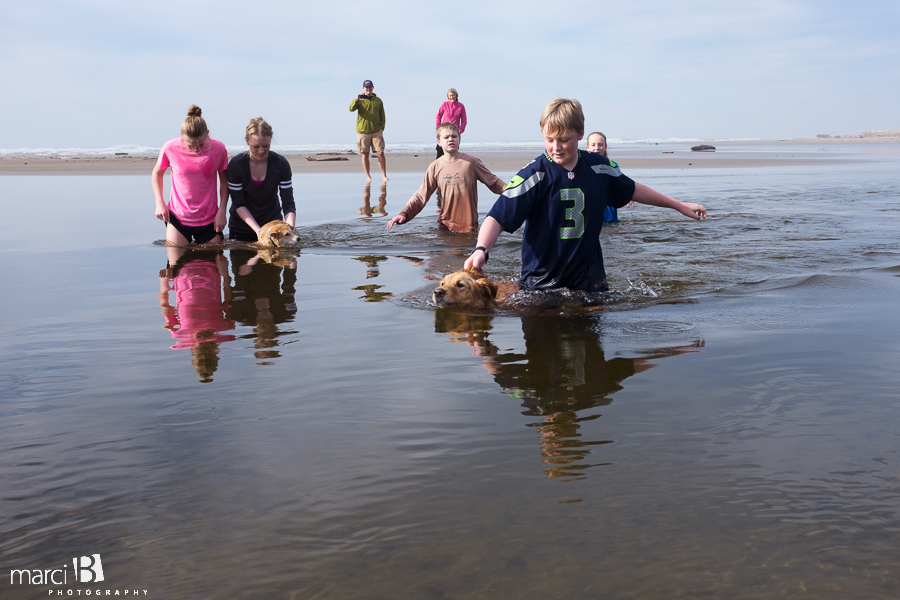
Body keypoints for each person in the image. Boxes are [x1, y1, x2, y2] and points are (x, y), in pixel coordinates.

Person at [464, 98, 706, 292]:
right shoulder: (534, 174)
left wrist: (677, 205)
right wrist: (481, 249)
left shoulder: (599, 167)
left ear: (580, 134)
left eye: (564, 139)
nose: (556, 147)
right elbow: (497, 216)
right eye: (549, 140)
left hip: (590, 282)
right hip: (541, 284)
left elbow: (631, 188)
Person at [386, 123, 506, 233]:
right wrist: (404, 214)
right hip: (445, 228)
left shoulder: (471, 163)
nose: (450, 139)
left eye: (454, 136)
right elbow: (421, 195)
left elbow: (494, 182)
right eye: (446, 137)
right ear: (439, 142)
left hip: (469, 229)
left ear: (459, 140)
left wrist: (518, 191)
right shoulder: (435, 166)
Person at [151, 105, 229, 247]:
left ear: (208, 133)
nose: (196, 149)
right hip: (178, 217)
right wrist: (159, 203)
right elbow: (157, 173)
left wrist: (222, 210)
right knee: (176, 266)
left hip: (210, 218)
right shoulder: (169, 148)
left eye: (200, 144)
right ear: (181, 135)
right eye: (191, 144)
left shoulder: (219, 149)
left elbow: (224, 181)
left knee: (213, 265)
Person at [226, 117, 296, 242]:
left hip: (273, 228)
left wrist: (290, 227)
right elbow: (239, 203)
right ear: (247, 141)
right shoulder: (236, 165)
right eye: (256, 146)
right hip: (241, 228)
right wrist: (259, 231)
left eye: (266, 146)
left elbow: (288, 202)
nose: (261, 151)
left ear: (271, 140)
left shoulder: (281, 164)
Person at [586, 131, 630, 222]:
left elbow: (621, 184)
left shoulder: (613, 165)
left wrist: (628, 195)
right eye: (593, 145)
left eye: (600, 145)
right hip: (591, 216)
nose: (597, 148)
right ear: (588, 147)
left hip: (610, 216)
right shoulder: (583, 166)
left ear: (605, 147)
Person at [349, 80, 387, 183]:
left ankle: (384, 175)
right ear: (363, 88)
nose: (368, 89)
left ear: (373, 88)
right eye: (366, 87)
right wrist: (357, 100)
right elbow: (351, 109)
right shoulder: (360, 100)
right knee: (365, 154)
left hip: (376, 131)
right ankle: (368, 176)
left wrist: (381, 128)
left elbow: (382, 115)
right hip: (363, 131)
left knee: (380, 152)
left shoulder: (378, 100)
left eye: (370, 87)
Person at [434, 88, 467, 159]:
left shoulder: (461, 106)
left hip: (454, 132)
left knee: (453, 153)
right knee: (440, 152)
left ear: (456, 95)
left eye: (453, 95)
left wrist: (460, 131)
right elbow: (438, 116)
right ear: (448, 97)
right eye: (450, 96)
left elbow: (464, 121)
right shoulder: (444, 104)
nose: (451, 97)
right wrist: (438, 127)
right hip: (444, 130)